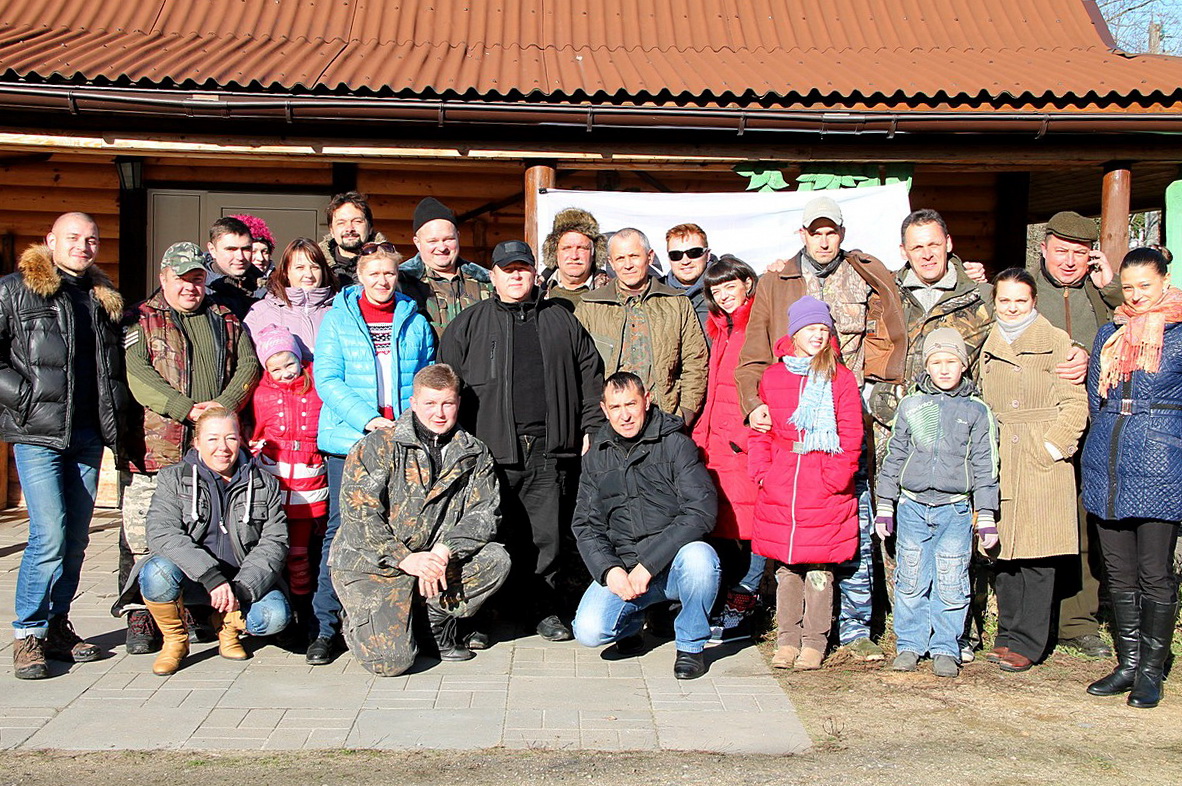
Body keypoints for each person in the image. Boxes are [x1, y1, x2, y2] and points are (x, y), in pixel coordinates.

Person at [737, 195, 906, 662]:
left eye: (832, 232)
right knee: (798, 549)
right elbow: (752, 357)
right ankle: (791, 634)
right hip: (792, 444)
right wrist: (755, 408)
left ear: (842, 234)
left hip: (846, 430)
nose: (825, 241)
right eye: (817, 233)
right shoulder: (776, 281)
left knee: (852, 534)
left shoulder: (867, 273)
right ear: (803, 235)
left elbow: (895, 326)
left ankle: (853, 631)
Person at [967, 211, 1122, 658]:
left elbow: (1136, 319)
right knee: (1022, 533)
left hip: (1086, 426)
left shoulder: (1099, 293)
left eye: (1079, 253)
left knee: (1078, 527)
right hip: (1028, 435)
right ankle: (1024, 628)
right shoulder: (1023, 289)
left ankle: (1077, 621)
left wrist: (1111, 289)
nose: (1069, 261)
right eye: (1061, 251)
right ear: (1044, 248)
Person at [440, 240, 604, 642]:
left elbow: (590, 377)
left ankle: (542, 610)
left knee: (546, 538)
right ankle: (482, 616)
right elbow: (446, 382)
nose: (515, 276)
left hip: (549, 448)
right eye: (507, 269)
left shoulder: (562, 320)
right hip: (489, 451)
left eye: (522, 268)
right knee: (489, 533)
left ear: (535, 273)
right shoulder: (469, 323)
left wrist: (591, 428)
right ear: (493, 276)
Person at [118, 241, 261, 656]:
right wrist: (185, 408)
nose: (189, 286)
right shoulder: (140, 318)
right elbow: (137, 373)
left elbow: (248, 365)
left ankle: (198, 608)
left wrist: (222, 408)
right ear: (163, 278)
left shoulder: (225, 317)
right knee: (144, 535)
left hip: (211, 449)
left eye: (197, 278)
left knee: (206, 528)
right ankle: (142, 613)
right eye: (181, 278)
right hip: (156, 448)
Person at [0, 213, 127, 679]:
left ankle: (57, 625)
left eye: (91, 239)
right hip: (38, 432)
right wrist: (24, 396)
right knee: (49, 534)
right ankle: (28, 633)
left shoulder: (100, 297)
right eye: (73, 238)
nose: (83, 246)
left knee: (74, 539)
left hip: (86, 434)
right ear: (50, 240)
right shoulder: (15, 290)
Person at [330, 364, 511, 675]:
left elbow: (484, 513)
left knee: (496, 559)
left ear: (458, 403)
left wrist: (444, 551)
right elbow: (359, 516)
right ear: (413, 403)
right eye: (430, 403)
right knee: (391, 663)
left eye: (447, 403)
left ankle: (432, 625)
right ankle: (361, 619)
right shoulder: (378, 445)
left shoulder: (474, 453)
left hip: (434, 563)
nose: (439, 413)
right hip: (376, 565)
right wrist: (404, 558)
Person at [310, 241, 435, 665]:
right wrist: (369, 420)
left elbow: (425, 379)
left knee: (402, 529)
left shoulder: (413, 319)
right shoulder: (338, 319)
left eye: (389, 273)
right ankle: (326, 626)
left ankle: (401, 623)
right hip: (352, 441)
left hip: (401, 441)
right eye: (374, 273)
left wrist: (409, 426)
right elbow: (327, 378)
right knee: (343, 529)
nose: (383, 281)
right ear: (360, 276)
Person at [1082, 247, 1182, 709]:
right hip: (1109, 461)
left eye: (1146, 285)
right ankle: (1128, 663)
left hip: (1162, 463)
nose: (1137, 295)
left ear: (1164, 281)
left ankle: (1150, 672)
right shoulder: (1110, 332)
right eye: (1129, 287)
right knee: (1119, 570)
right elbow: (1094, 396)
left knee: (1154, 571)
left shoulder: (1179, 332)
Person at [118, 408, 290, 675]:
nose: (223, 447)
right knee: (156, 573)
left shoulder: (265, 484)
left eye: (230, 438)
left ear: (241, 440)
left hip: (240, 582)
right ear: (196, 443)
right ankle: (175, 641)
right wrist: (211, 576)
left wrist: (241, 590)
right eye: (213, 439)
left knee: (274, 617)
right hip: (193, 579)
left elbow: (275, 542)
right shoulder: (173, 478)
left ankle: (228, 627)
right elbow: (162, 532)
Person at [571, 372, 720, 680]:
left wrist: (649, 565)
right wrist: (609, 570)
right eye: (615, 407)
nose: (624, 415)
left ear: (647, 401)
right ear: (604, 410)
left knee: (701, 560)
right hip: (626, 568)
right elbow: (585, 524)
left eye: (631, 404)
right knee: (588, 630)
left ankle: (691, 645)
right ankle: (633, 623)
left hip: (674, 564)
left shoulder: (676, 445)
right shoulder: (595, 458)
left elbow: (701, 511)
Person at [874, 328, 1000, 678]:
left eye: (951, 362)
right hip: (912, 507)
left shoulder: (976, 410)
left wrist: (986, 514)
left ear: (963, 365)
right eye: (936, 362)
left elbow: (985, 464)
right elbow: (895, 456)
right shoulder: (911, 405)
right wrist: (885, 504)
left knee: (951, 578)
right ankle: (910, 644)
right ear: (926, 366)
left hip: (955, 509)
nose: (944, 369)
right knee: (911, 577)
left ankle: (946, 646)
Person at [979, 268, 1087, 673]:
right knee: (1004, 550)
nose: (1012, 308)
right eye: (1004, 300)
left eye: (1020, 301)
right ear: (995, 302)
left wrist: (1053, 446)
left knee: (1038, 553)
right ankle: (1007, 634)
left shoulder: (1056, 341)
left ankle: (1029, 641)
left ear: (1034, 302)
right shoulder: (986, 341)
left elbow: (1075, 403)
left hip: (1041, 454)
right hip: (1000, 451)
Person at [749, 297, 863, 671]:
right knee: (786, 568)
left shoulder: (840, 378)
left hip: (823, 483)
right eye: (810, 328)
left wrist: (836, 478)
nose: (818, 335)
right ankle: (787, 640)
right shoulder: (773, 376)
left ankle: (814, 641)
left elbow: (851, 434)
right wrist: (763, 471)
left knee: (819, 569)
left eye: (823, 329)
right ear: (794, 333)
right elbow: (761, 431)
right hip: (782, 482)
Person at [690, 255, 765, 643]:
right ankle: (723, 603)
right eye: (716, 290)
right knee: (722, 526)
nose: (723, 295)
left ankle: (744, 605)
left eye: (730, 286)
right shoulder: (720, 328)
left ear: (748, 283)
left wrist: (751, 436)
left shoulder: (758, 325)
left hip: (744, 442)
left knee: (754, 526)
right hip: (715, 443)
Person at [576, 228, 708, 425]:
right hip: (608, 423)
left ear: (650, 257)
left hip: (664, 418)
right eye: (620, 258)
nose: (628, 265)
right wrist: (592, 422)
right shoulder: (590, 307)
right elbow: (577, 368)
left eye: (634, 256)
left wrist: (684, 414)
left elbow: (695, 361)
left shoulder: (676, 303)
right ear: (611, 262)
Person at [249, 325, 327, 645]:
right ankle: (287, 611)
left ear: (299, 359)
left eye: (289, 364)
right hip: (276, 483)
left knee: (306, 552)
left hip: (310, 482)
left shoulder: (317, 386)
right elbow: (255, 431)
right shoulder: (261, 393)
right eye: (275, 368)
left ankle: (309, 611)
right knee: (281, 551)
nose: (285, 373)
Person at [398, 197, 490, 335]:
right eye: (432, 241)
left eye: (448, 239)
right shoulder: (401, 284)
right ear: (417, 242)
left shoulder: (486, 282)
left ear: (458, 237)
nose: (442, 248)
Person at [244, 237, 340, 361]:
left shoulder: (339, 309)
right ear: (286, 272)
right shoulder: (260, 312)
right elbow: (248, 361)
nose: (309, 274)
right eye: (300, 267)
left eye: (315, 267)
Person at [320, 191, 389, 287]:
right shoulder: (317, 268)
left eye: (357, 221)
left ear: (370, 228)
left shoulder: (389, 267)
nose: (349, 229)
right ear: (331, 230)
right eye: (341, 223)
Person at [541, 207, 609, 305]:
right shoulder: (534, 292)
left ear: (594, 253)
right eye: (566, 248)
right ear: (554, 252)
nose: (574, 256)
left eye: (582, 248)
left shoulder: (612, 294)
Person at [205, 216, 261, 319]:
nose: (240, 257)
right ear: (212, 250)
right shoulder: (199, 292)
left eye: (246, 249)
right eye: (231, 249)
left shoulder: (266, 287)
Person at [664, 223, 714, 331]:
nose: (685, 261)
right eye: (676, 255)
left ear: (707, 255)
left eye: (694, 253)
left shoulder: (725, 291)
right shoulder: (655, 294)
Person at [230, 213, 276, 281]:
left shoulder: (282, 283)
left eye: (264, 252)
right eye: (253, 251)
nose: (260, 258)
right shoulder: (216, 283)